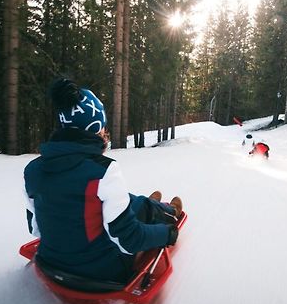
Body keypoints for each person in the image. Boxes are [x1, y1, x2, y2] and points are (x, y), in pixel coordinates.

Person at [24, 78, 183, 284]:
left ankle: (146, 206)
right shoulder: (104, 170)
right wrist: (169, 234)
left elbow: (35, 228)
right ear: (96, 127)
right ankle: (166, 212)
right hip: (100, 273)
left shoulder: (32, 170)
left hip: (50, 262)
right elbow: (129, 240)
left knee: (122, 201)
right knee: (137, 206)